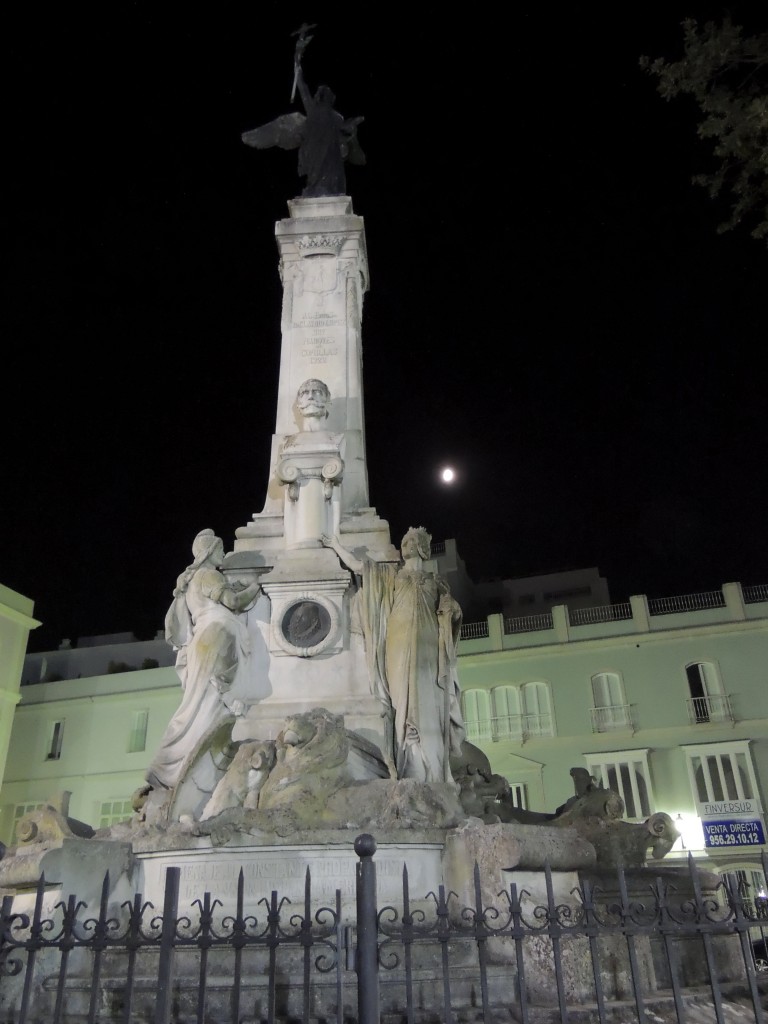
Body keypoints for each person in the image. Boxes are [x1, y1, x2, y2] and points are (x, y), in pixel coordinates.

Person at [322, 527, 466, 784]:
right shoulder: (391, 575)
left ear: (423, 547)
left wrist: (451, 611)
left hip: (427, 644)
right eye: (404, 541)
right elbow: (361, 568)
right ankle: (409, 762)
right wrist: (336, 545)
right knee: (402, 702)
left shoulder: (436, 581)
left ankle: (431, 769)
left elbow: (452, 613)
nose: (406, 544)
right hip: (397, 643)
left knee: (428, 702)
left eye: (412, 541)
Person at [146, 529, 262, 790]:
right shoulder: (208, 574)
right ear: (209, 551)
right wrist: (256, 587)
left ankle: (178, 761)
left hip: (207, 640)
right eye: (219, 548)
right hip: (216, 639)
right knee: (206, 703)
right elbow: (232, 600)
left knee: (199, 702)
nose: (223, 552)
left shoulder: (193, 580)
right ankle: (175, 762)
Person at [241, 29, 365, 197]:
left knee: (329, 181)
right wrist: (297, 56)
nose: (321, 95)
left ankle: (326, 191)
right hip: (314, 157)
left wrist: (351, 130)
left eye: (324, 93)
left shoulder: (336, 117)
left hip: (331, 161)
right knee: (315, 181)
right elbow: (301, 84)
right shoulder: (313, 109)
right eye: (320, 93)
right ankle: (315, 190)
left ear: (330, 98)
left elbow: (346, 137)